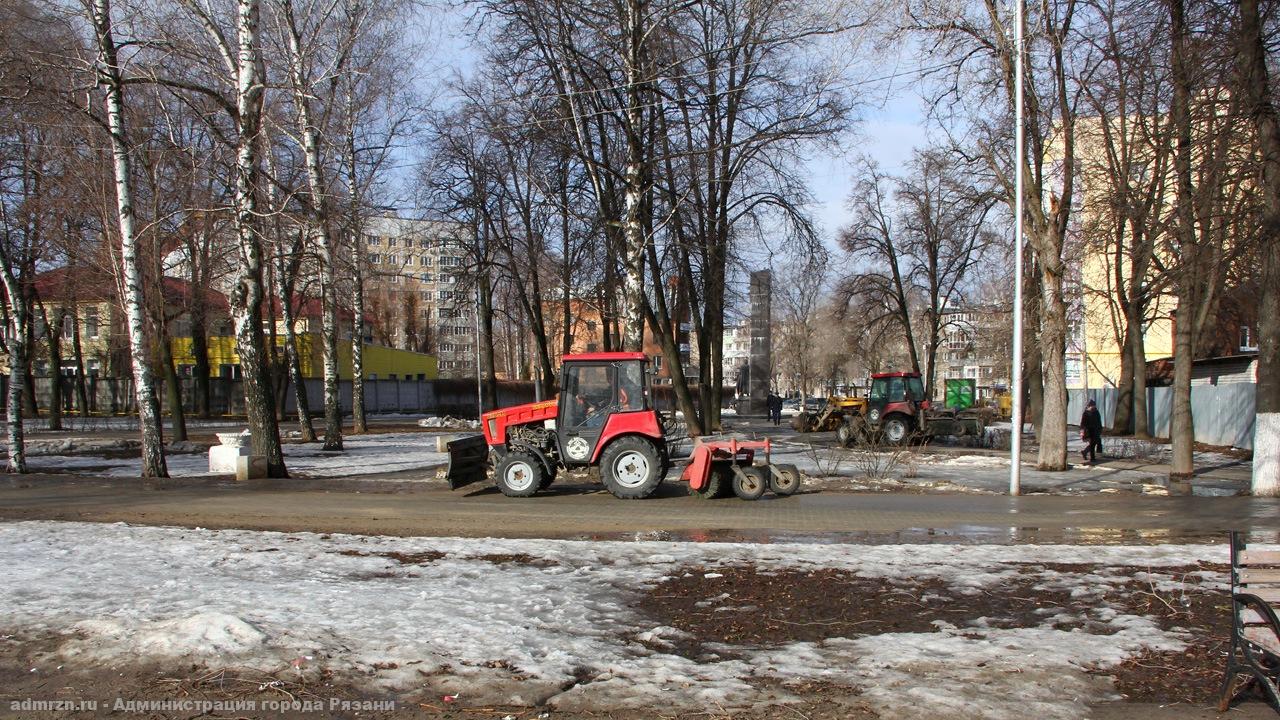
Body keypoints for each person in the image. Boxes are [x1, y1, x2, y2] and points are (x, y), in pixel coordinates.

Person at [1080, 399, 1104, 464]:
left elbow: (1099, 421)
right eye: (1092, 406)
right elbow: (1083, 422)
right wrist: (1082, 430)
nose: (1093, 407)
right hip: (1089, 430)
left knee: (1096, 442)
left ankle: (1085, 452)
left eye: (1094, 405)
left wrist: (1100, 428)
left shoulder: (1096, 412)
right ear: (1089, 406)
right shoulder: (1086, 413)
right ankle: (1092, 458)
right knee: (1093, 444)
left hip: (1096, 430)